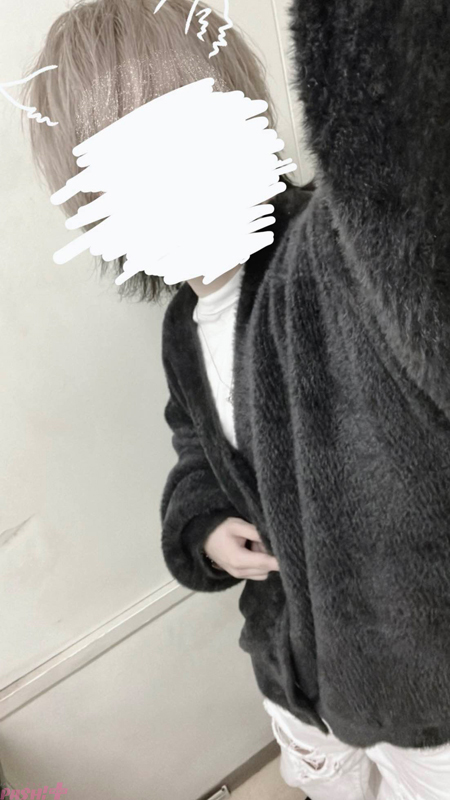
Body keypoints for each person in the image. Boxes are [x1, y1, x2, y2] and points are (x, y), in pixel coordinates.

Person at [24, 1, 450, 798]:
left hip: (415, 684)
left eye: (179, 135)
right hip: (294, 669)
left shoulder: (338, 256)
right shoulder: (183, 331)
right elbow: (198, 447)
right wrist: (203, 526)